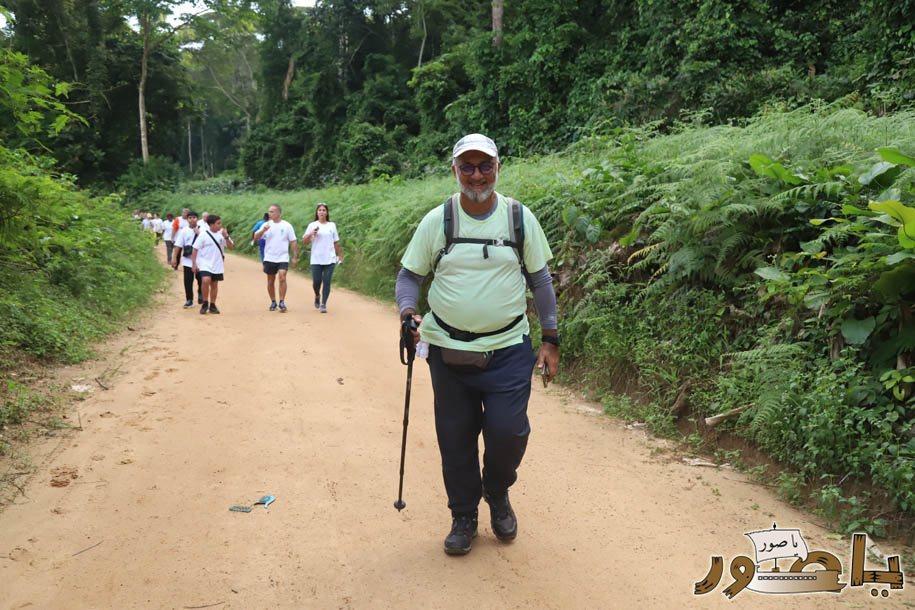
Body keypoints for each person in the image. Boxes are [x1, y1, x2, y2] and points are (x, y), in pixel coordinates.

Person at [395, 133, 560, 556]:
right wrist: (408, 312)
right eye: (467, 167)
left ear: (498, 168)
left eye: (485, 166)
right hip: (448, 351)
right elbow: (410, 276)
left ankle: (497, 490)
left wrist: (550, 339)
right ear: (455, 170)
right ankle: (464, 515)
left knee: (508, 433)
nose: (476, 175)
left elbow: (540, 280)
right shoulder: (439, 220)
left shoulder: (518, 218)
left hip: (508, 348)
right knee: (455, 437)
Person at [254, 204, 298, 312]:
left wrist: (295, 256)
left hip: (283, 257)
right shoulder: (266, 225)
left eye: (272, 211)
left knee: (282, 277)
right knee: (270, 281)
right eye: (269, 211)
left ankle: (282, 302)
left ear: (278, 213)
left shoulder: (287, 226)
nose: (269, 213)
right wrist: (262, 230)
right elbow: (256, 237)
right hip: (269, 257)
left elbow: (293, 241)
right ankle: (273, 301)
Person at [303, 203, 342, 313]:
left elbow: (336, 242)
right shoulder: (312, 225)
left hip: (330, 258)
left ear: (327, 212)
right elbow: (304, 242)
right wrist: (311, 234)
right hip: (316, 258)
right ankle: (317, 295)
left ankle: (323, 304)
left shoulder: (332, 225)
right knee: (316, 281)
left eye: (324, 210)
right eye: (319, 210)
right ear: (317, 212)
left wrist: (340, 255)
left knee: (327, 281)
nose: (321, 212)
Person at [191, 214, 234, 314]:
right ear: (211, 225)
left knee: (214, 284)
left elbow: (231, 247)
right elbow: (195, 249)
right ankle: (205, 302)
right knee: (206, 280)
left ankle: (213, 305)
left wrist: (226, 237)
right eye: (218, 223)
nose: (220, 225)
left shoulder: (222, 234)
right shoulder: (203, 235)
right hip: (204, 263)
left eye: (220, 223)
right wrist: (194, 264)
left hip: (217, 263)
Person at [172, 211, 203, 307]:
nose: (192, 219)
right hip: (187, 260)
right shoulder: (184, 231)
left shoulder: (203, 230)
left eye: (194, 217)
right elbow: (178, 245)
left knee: (201, 279)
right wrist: (174, 258)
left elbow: (207, 243)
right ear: (187, 219)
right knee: (188, 281)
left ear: (197, 219)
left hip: (201, 260)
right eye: (190, 218)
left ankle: (201, 293)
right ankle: (189, 299)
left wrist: (199, 234)